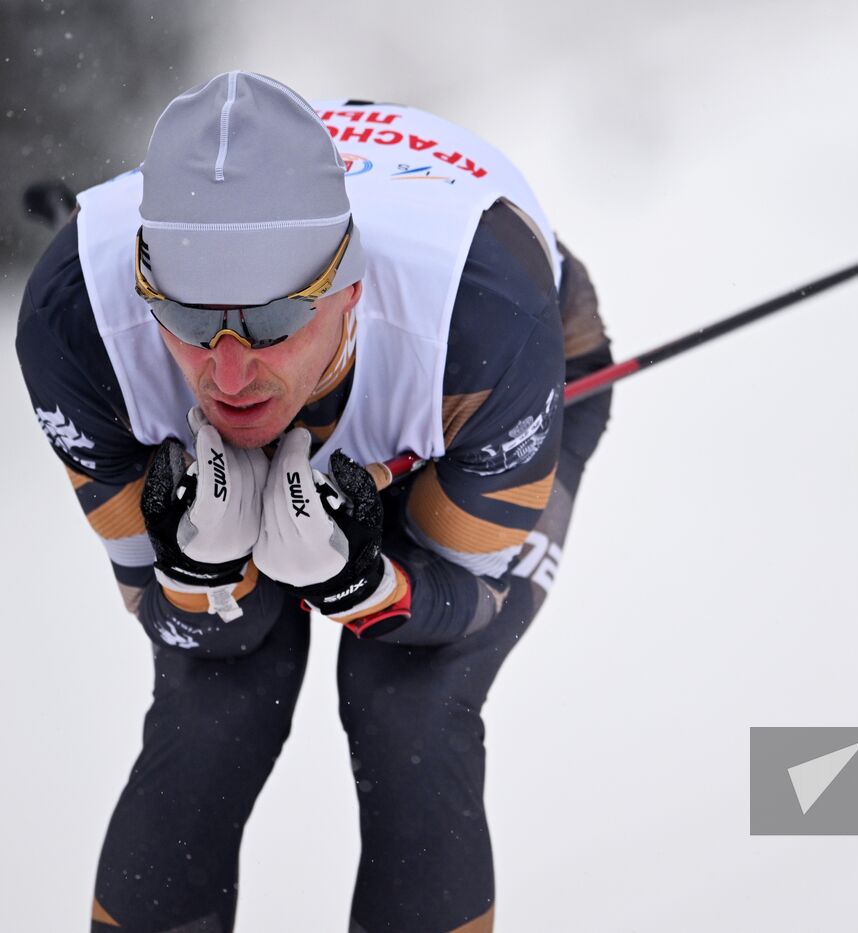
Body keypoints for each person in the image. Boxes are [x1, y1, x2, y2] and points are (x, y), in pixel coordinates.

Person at [17, 71, 612, 932]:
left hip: (481, 389)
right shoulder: (78, 320)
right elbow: (178, 619)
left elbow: (465, 604)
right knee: (216, 693)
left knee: (409, 703)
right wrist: (203, 573)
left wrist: (367, 587)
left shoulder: (482, 328)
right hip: (377, 372)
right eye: (187, 317)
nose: (227, 372)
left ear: (350, 286)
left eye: (272, 320)